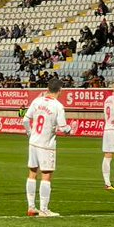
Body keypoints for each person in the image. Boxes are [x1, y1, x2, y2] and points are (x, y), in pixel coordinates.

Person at [23, 79, 72, 217]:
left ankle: (31, 207)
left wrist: (29, 133)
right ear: (60, 90)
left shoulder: (37, 101)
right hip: (46, 145)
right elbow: (63, 127)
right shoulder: (58, 106)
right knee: (46, 175)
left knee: (32, 173)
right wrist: (69, 129)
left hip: (33, 142)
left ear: (48, 88)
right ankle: (44, 209)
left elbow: (25, 120)